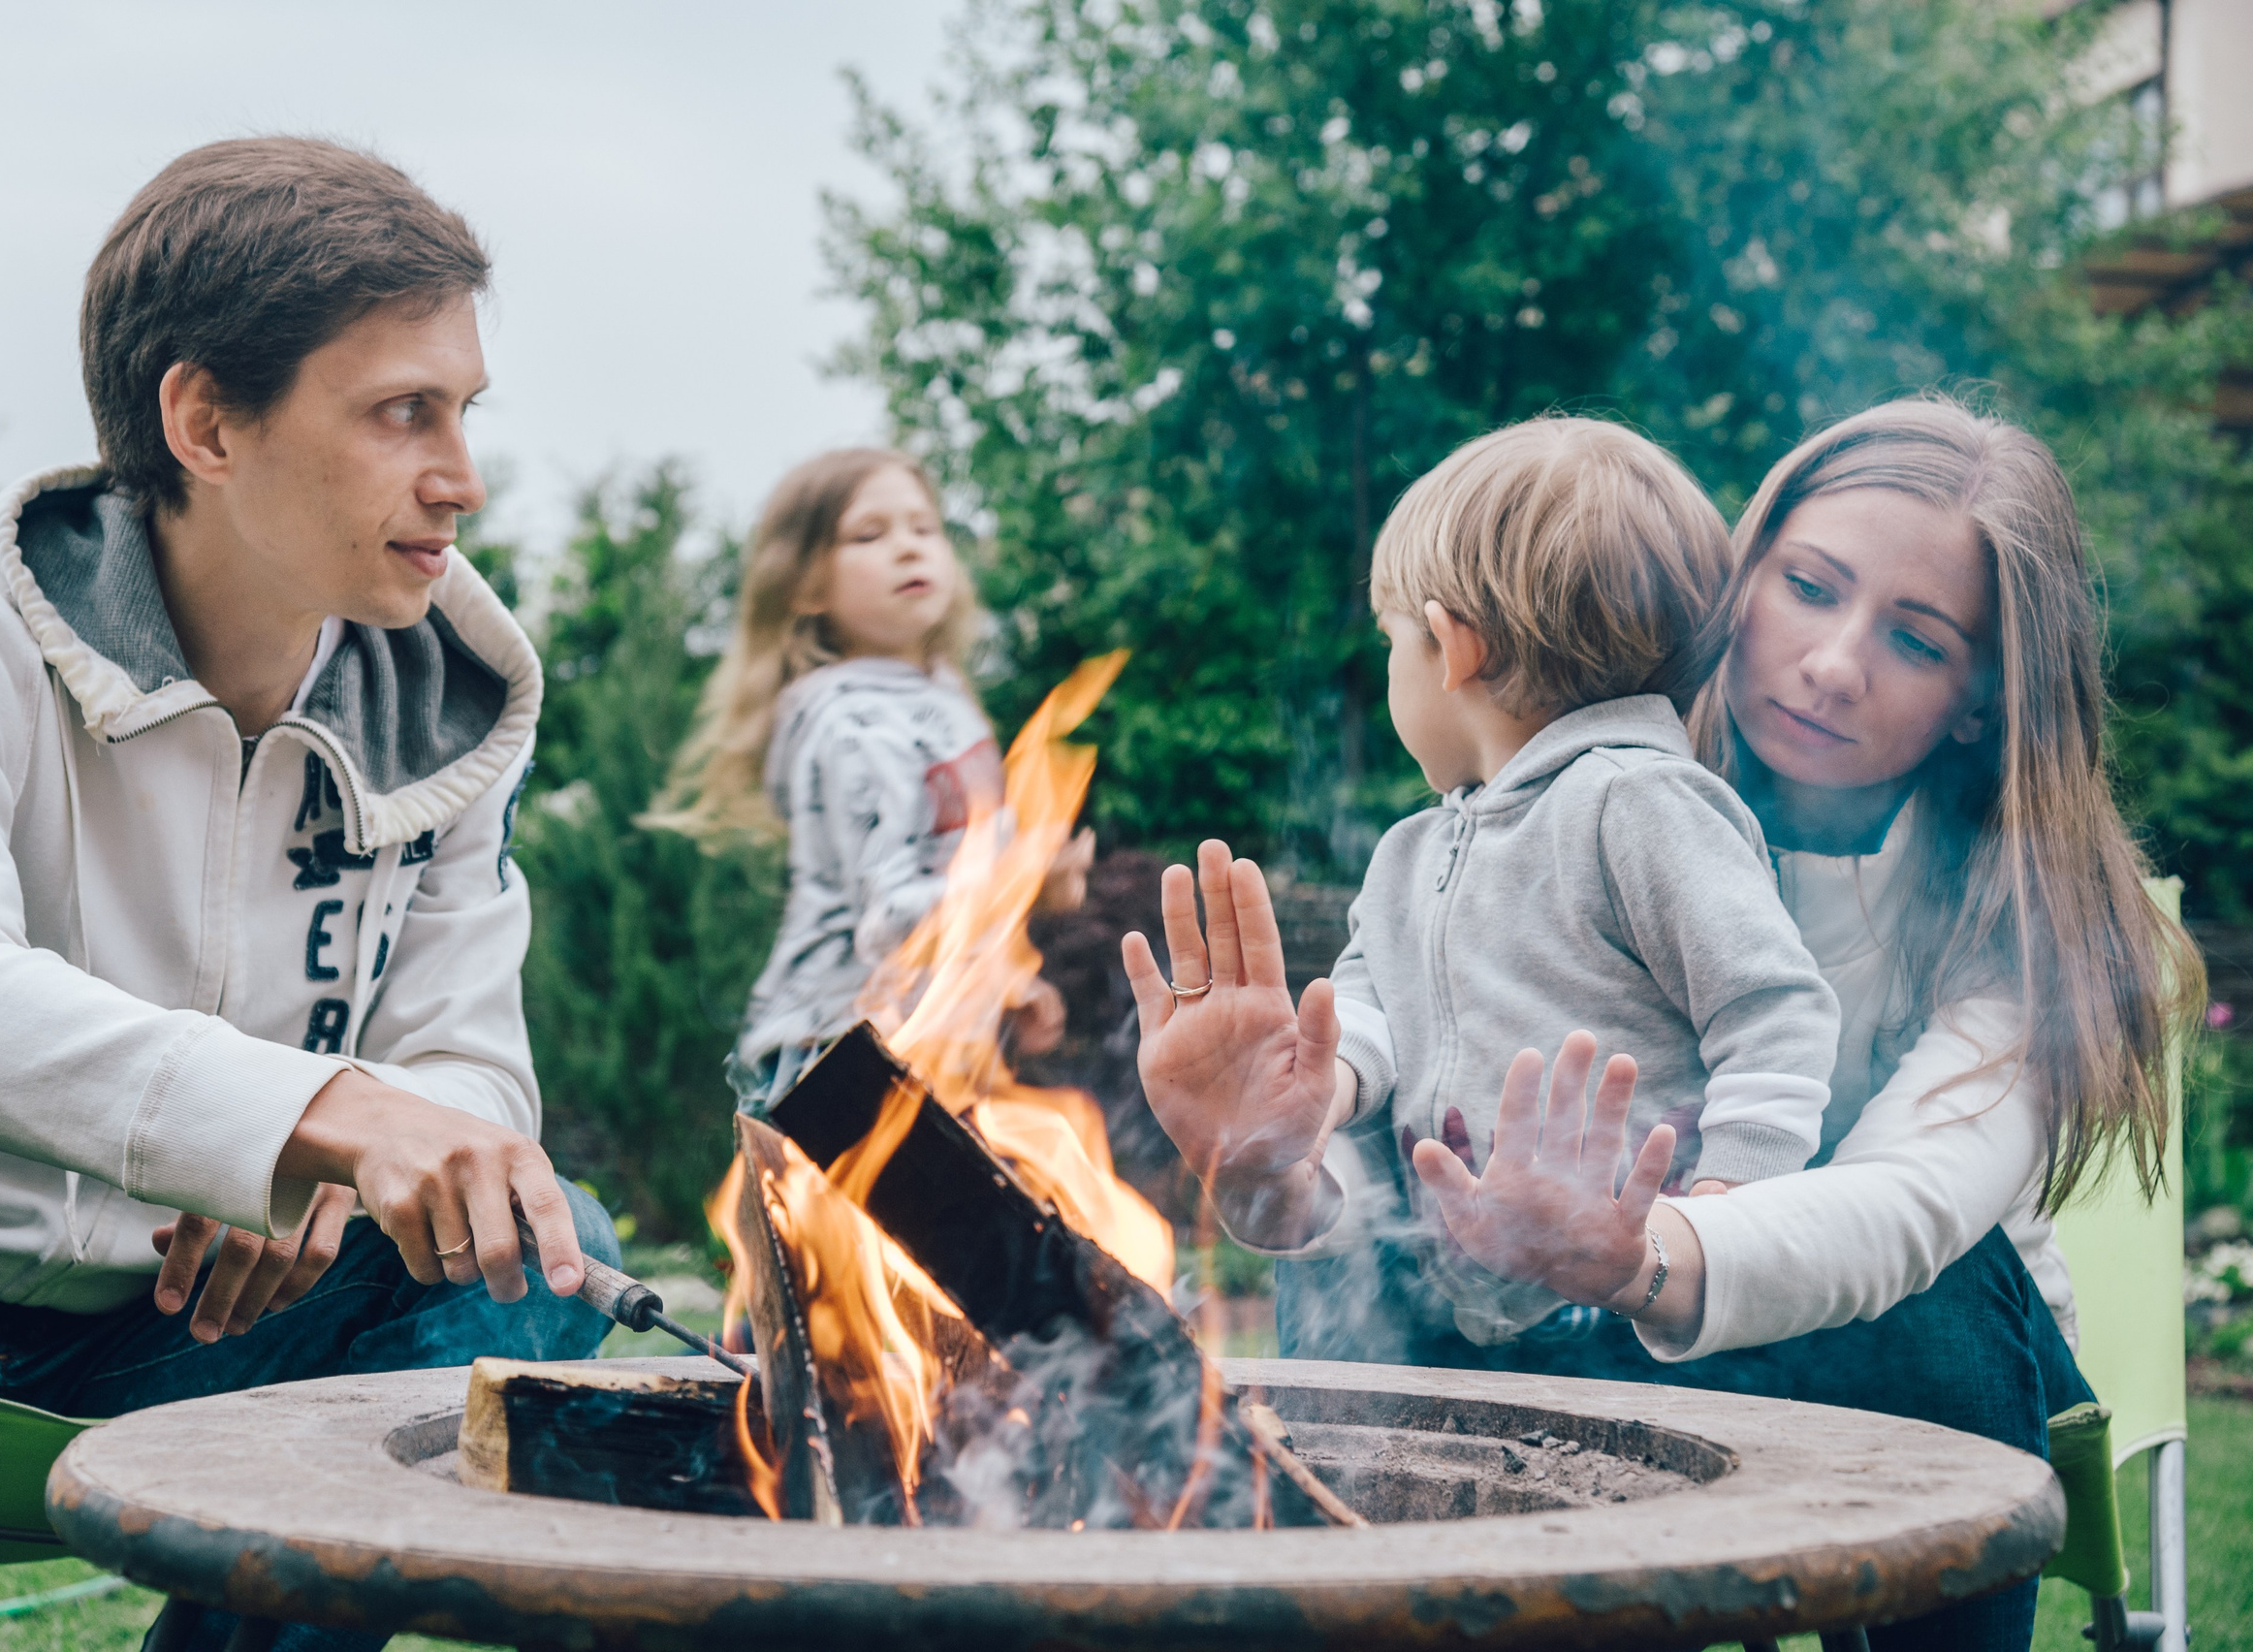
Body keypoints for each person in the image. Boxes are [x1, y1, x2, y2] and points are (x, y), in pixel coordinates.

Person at [1131, 397, 2198, 1650]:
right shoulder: (1536, 820)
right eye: (1809, 587)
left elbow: (1906, 1210)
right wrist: (1288, 1129)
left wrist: (1646, 1247)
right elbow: (1411, 1051)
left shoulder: (2021, 920)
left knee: (1945, 1272)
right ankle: (1386, 1594)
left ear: (1978, 698)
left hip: (1898, 1359)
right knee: (1382, 1150)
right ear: (1734, 589)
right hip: (1572, 1316)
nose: (1834, 662)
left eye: (1915, 640)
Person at [0, 138, 620, 1652]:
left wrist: (328, 1160)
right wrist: (307, 1115)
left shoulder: (454, 714)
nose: (463, 479)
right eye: (402, 412)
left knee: (536, 1248)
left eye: (465, 411)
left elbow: (475, 1074)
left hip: (183, 1341)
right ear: (206, 424)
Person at [1132, 416, 1843, 1350]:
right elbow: (1372, 1015)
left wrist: (1724, 1212)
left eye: (1391, 638)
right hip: (1459, 1307)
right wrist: (1304, 1092)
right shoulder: (1411, 853)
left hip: (1623, 1315)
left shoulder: (1638, 801)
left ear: (1449, 645)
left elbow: (1775, 1013)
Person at [647, 449, 1088, 1112]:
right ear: (804, 586)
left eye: (924, 527)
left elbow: (950, 879)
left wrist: (1004, 976)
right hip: (832, 1051)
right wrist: (1023, 881)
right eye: (870, 534)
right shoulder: (849, 723)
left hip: (918, 1042)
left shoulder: (942, 699)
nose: (909, 548)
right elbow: (889, 918)